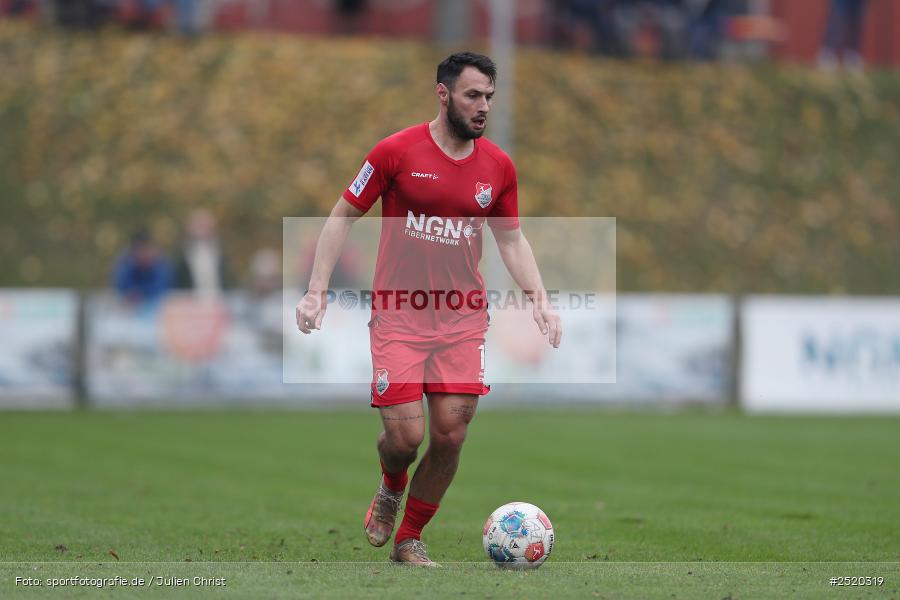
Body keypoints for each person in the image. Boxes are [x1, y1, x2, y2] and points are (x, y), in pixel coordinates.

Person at [294, 52, 562, 566]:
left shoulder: (498, 167)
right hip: (399, 314)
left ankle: (409, 538)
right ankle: (391, 485)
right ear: (443, 94)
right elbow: (341, 215)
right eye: (472, 96)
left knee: (450, 432)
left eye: (488, 97)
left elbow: (511, 241)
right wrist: (316, 289)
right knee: (405, 435)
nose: (483, 107)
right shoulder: (395, 152)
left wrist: (541, 302)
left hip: (462, 319)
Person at [173, 208, 230, 296]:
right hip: (191, 299)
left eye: (205, 226)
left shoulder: (220, 249)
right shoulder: (182, 251)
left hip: (217, 298)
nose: (202, 229)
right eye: (199, 225)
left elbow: (226, 277)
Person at [113, 229, 172, 305]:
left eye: (147, 250)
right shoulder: (125, 263)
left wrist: (142, 293)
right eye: (141, 250)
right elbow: (121, 285)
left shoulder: (161, 263)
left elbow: (162, 286)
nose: (144, 254)